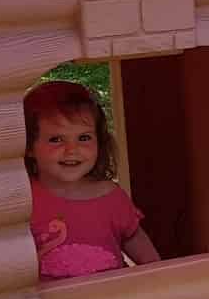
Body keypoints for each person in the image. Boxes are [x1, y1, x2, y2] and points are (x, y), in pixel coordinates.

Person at [22, 80, 161, 280]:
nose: (72, 149)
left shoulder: (112, 196)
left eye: (84, 138)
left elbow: (142, 249)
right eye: (56, 139)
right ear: (29, 147)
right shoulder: (23, 200)